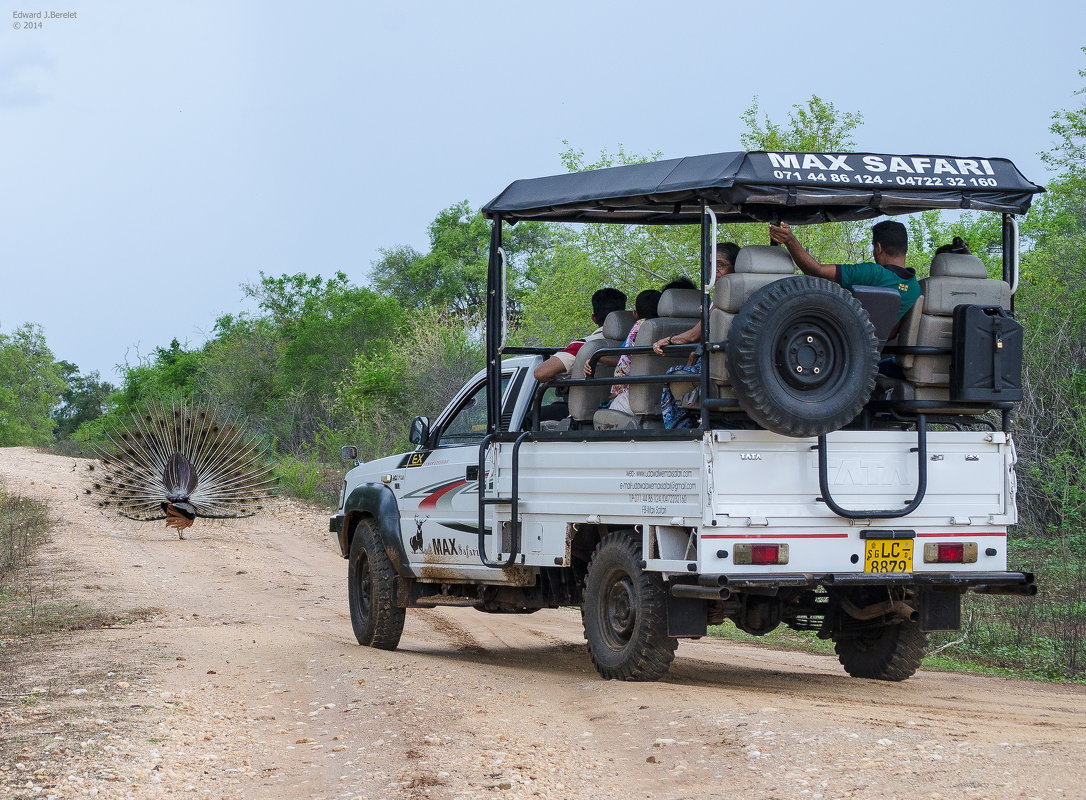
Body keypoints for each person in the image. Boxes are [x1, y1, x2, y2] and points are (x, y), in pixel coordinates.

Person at [649, 243, 741, 428]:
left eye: (720, 265)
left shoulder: (724, 298)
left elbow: (693, 336)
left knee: (671, 374)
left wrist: (667, 340)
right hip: (746, 370)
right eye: (710, 265)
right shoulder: (761, 292)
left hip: (721, 368)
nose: (713, 271)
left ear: (737, 266)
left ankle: (679, 428)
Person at [768, 219, 921, 323]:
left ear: (879, 247)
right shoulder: (915, 288)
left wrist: (790, 240)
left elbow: (816, 270)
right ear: (905, 247)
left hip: (842, 344)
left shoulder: (872, 273)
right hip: (875, 352)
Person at [534, 287, 627, 384]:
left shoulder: (584, 346)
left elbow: (541, 373)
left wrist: (564, 380)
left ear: (593, 318)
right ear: (623, 317)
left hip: (593, 398)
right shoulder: (635, 342)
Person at [596, 289, 661, 416]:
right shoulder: (666, 326)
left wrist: (617, 390)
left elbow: (626, 362)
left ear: (635, 313)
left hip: (632, 392)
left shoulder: (639, 328)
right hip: (659, 391)